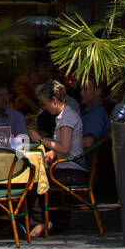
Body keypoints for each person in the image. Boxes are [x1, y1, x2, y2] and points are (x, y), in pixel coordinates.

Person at [28, 80, 85, 238]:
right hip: (66, 166)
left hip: (71, 170)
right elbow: (65, 146)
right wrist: (53, 152)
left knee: (35, 180)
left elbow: (65, 148)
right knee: (36, 176)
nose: (44, 108)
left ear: (54, 101)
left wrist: (40, 139)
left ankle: (40, 222)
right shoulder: (64, 116)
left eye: (45, 104)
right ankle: (45, 221)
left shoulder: (67, 118)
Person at [80, 79, 111, 149]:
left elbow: (87, 142)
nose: (81, 92)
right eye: (81, 89)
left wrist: (65, 145)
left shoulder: (97, 114)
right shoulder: (90, 111)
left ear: (97, 91)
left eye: (86, 89)